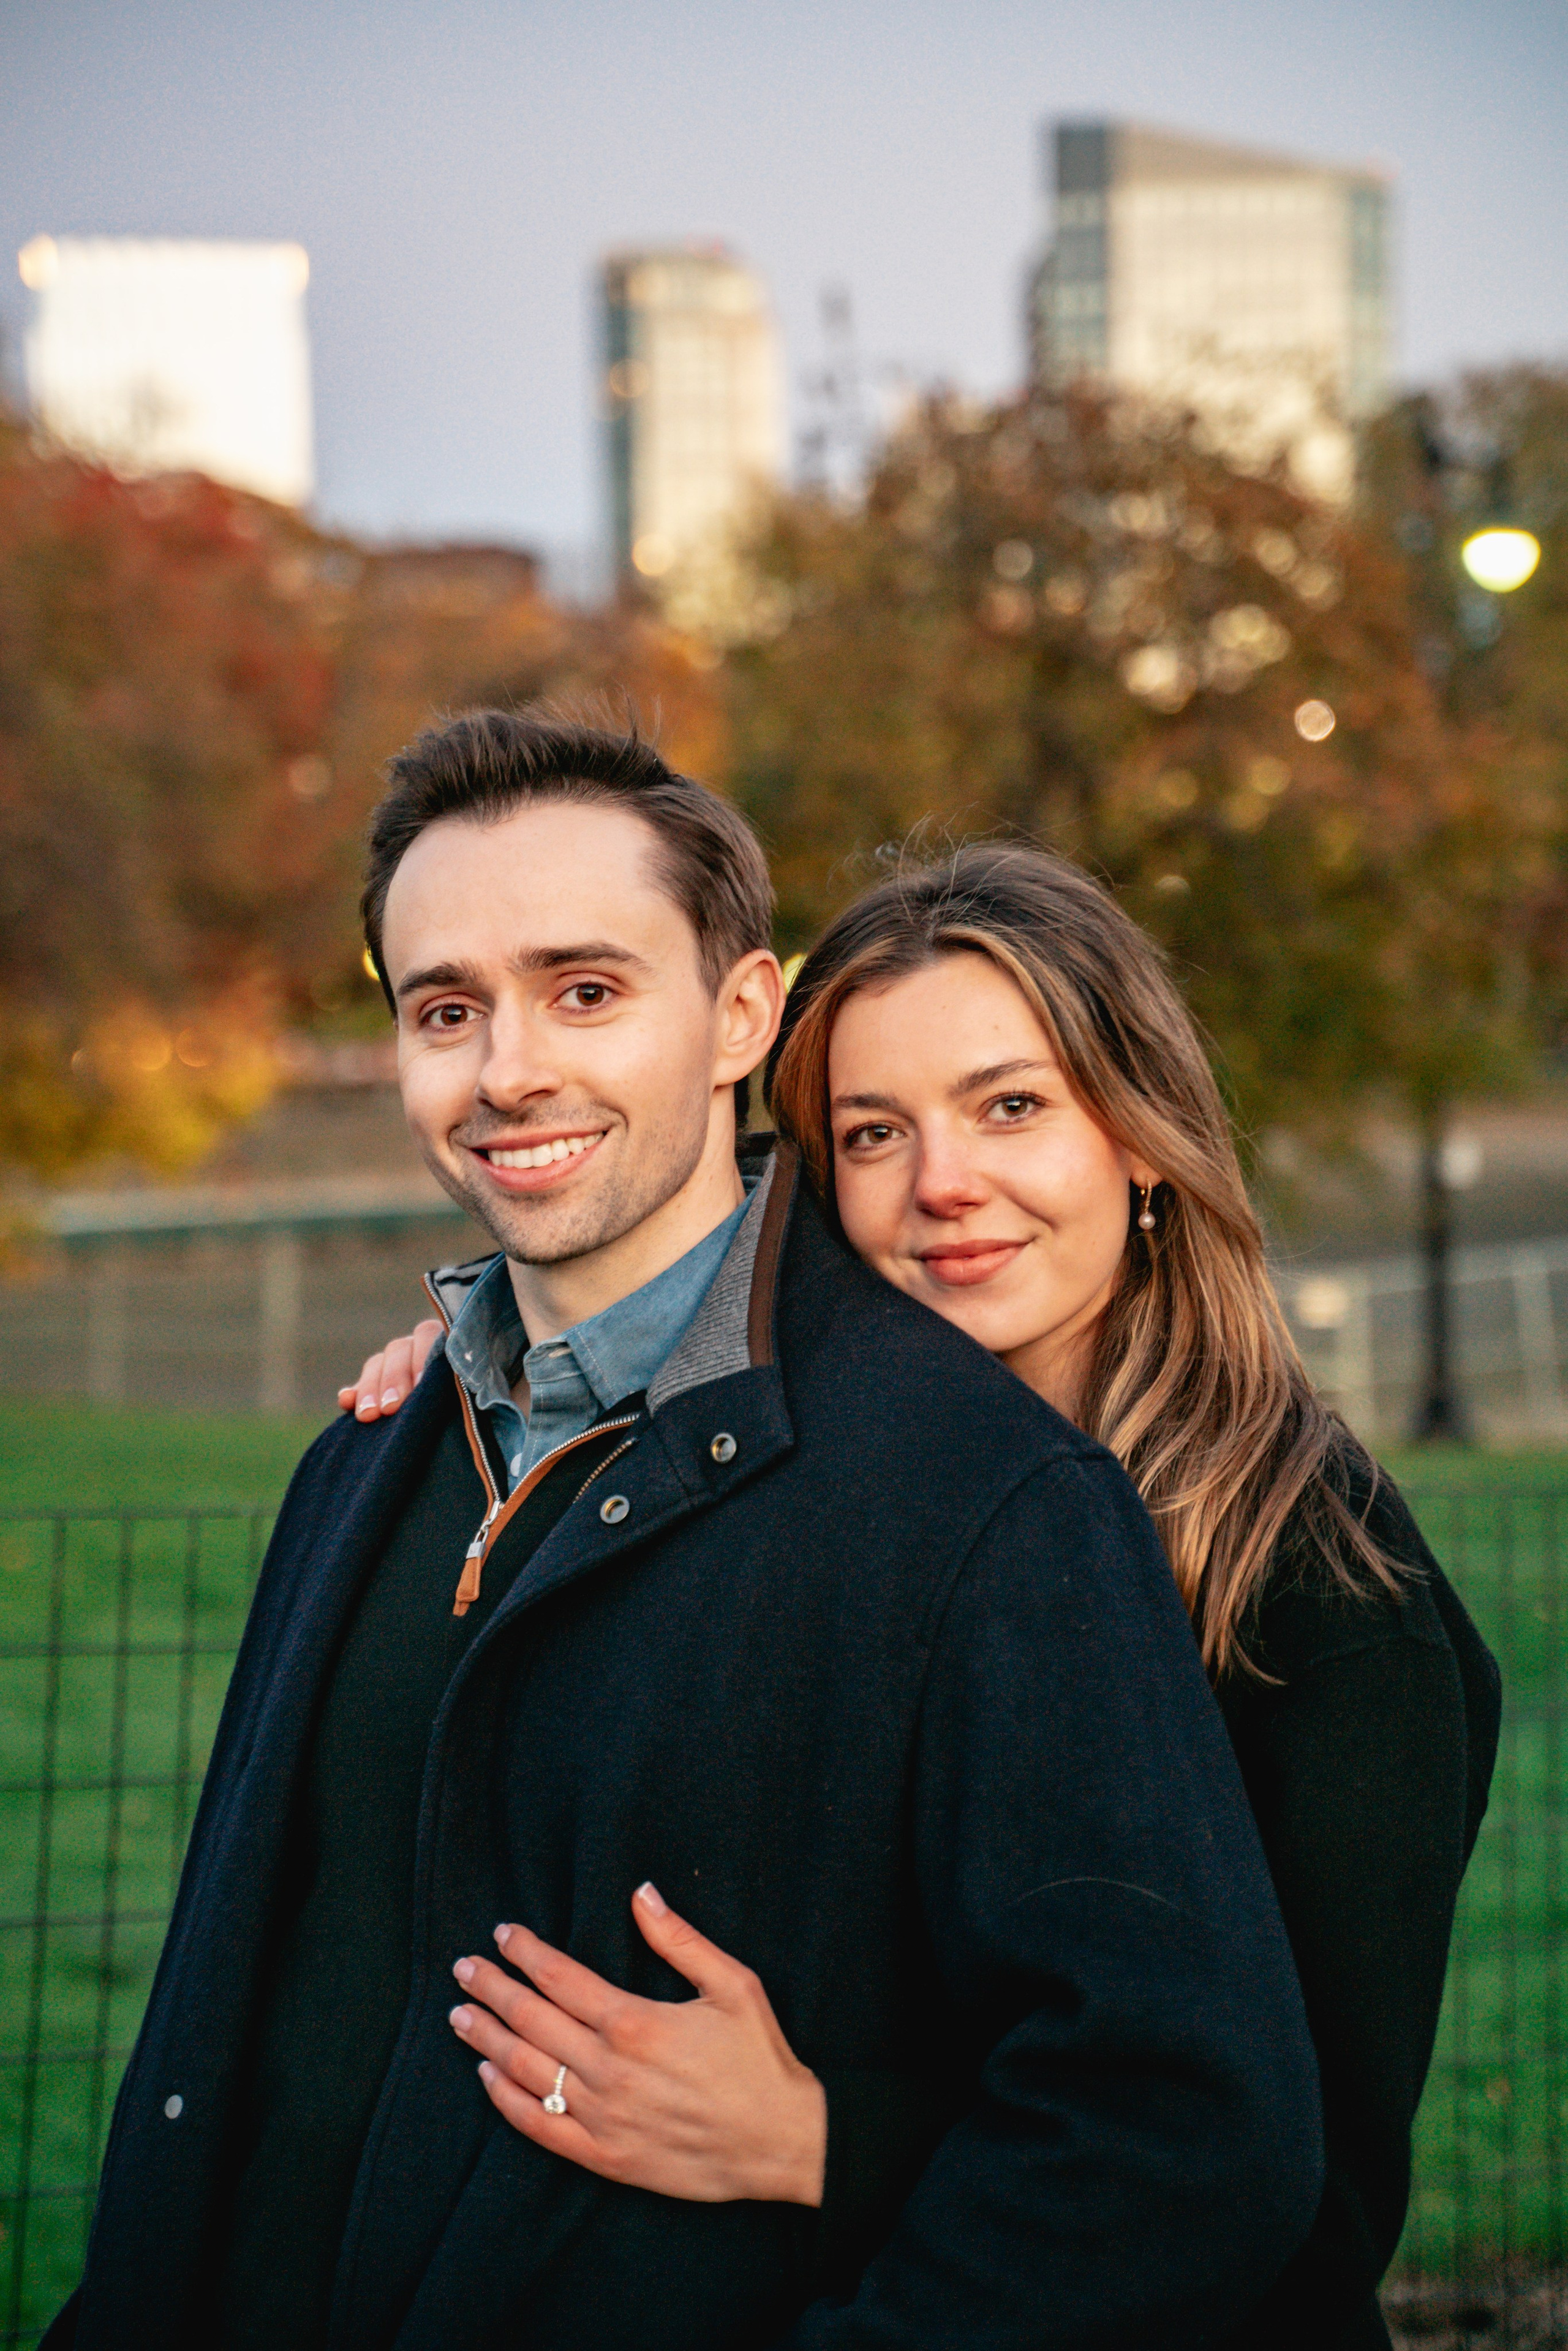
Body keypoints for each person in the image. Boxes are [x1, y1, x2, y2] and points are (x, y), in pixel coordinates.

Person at [49, 722, 1323, 2351]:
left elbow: (1184, 2142)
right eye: (447, 1008)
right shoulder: (363, 1458)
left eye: (587, 990)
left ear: (741, 1015)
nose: (508, 1066)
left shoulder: (981, 1504)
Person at [358, 838, 1502, 2351]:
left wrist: (817, 2137)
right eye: (872, 1131)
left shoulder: (1321, 1597)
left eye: (1009, 1105)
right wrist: (488, 1350)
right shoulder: (814, 1499)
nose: (941, 1183)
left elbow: (1281, 2211)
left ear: (1139, 1135)